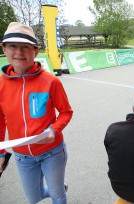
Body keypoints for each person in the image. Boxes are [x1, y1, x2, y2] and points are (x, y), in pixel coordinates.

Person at [0, 22, 73, 204]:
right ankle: (57, 187)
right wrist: (1, 153)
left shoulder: (51, 81)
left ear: (36, 50)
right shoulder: (0, 85)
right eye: (13, 46)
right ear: (4, 49)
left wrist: (54, 130)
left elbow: (66, 112)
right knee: (33, 198)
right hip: (22, 156)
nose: (19, 52)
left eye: (26, 47)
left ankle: (57, 189)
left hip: (52, 152)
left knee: (57, 196)